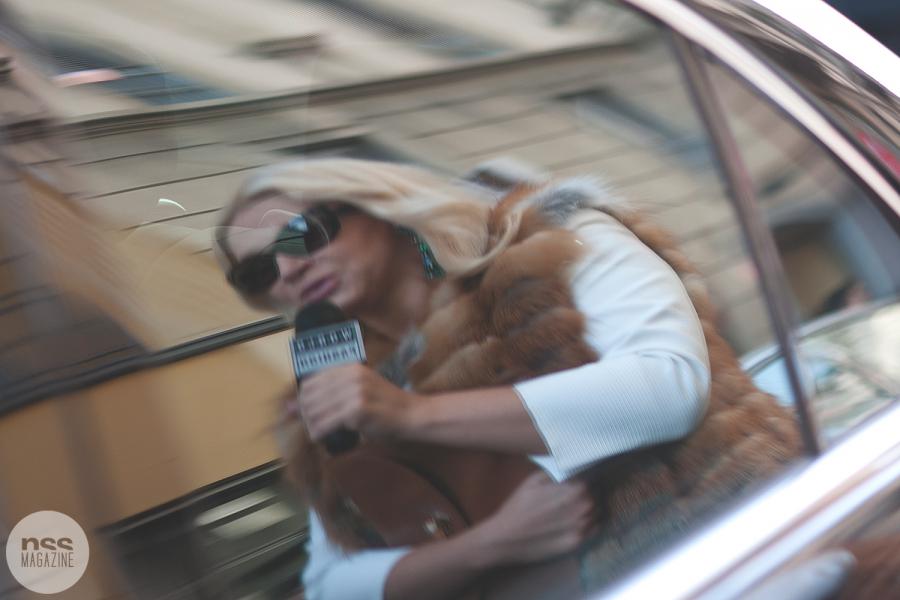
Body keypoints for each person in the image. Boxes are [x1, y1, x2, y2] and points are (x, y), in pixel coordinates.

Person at [213, 158, 799, 600]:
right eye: (259, 270)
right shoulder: (334, 392)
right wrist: (488, 547)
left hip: (753, 558)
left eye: (301, 233)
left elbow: (668, 387)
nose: (289, 268)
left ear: (376, 206)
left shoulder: (549, 244)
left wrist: (412, 416)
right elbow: (329, 582)